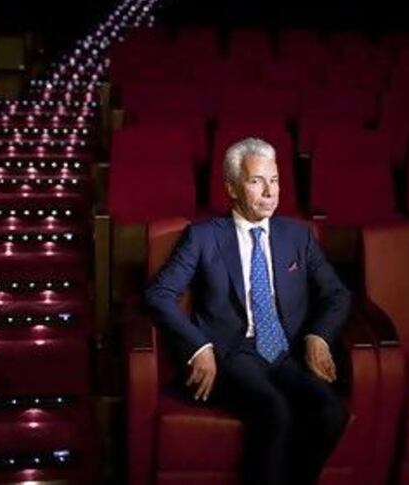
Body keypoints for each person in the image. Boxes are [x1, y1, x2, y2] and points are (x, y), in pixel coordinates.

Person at [144, 137, 351, 485]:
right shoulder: (203, 237)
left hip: (285, 353)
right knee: (276, 411)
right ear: (233, 188)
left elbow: (337, 293)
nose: (269, 192)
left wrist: (318, 335)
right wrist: (199, 346)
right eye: (257, 181)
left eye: (275, 180)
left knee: (330, 411)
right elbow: (159, 295)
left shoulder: (298, 236)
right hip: (231, 353)